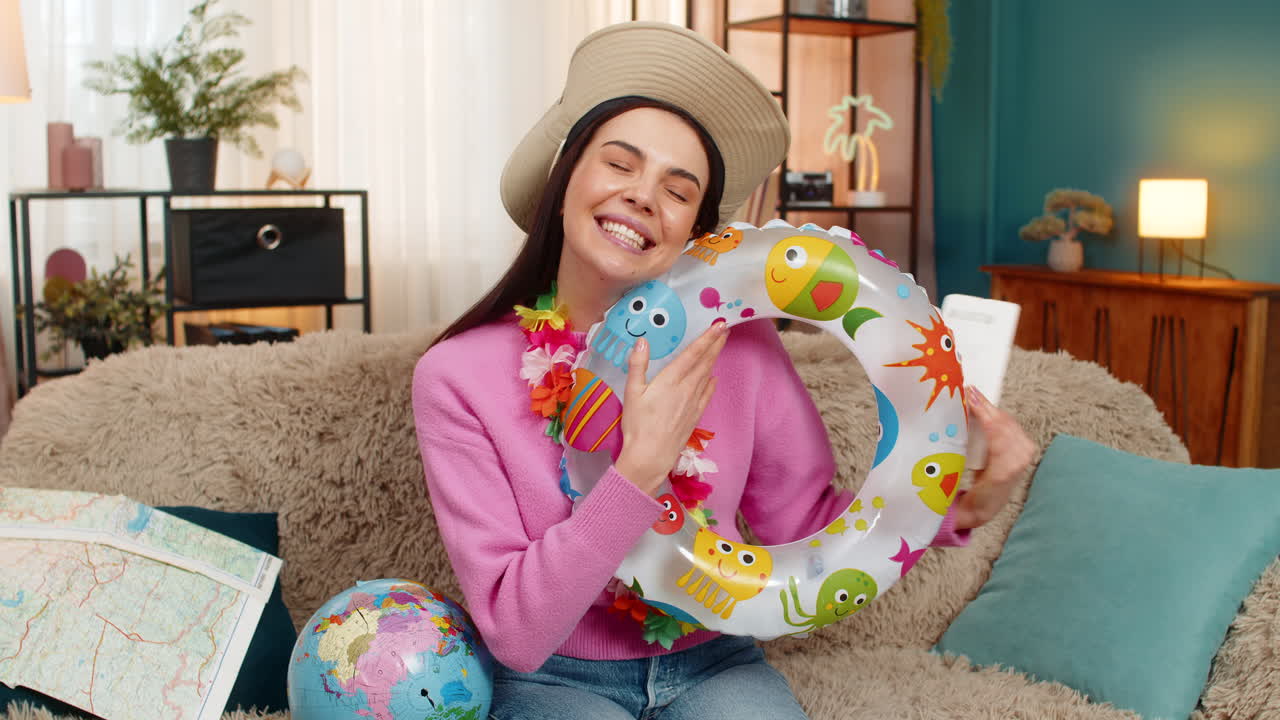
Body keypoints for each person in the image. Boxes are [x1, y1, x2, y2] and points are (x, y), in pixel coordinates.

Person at [412, 21, 1035, 720]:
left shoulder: (744, 348)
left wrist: (956, 505)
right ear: (564, 184)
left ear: (695, 236)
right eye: (619, 164)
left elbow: (811, 532)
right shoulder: (457, 377)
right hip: (555, 679)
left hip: (715, 662)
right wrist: (639, 470)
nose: (643, 196)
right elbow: (518, 634)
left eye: (678, 191)